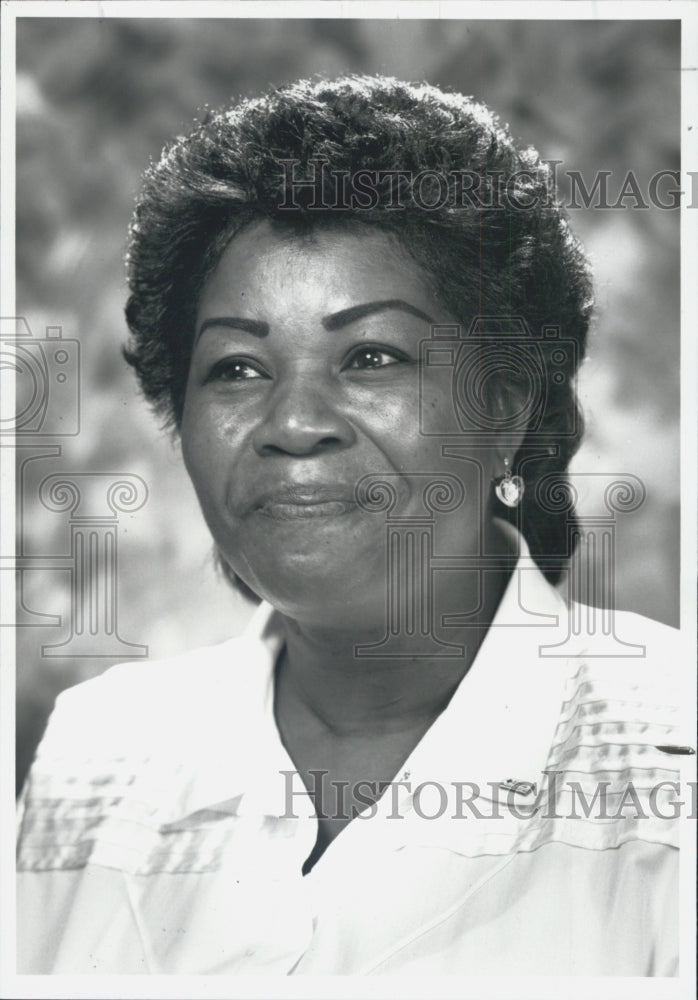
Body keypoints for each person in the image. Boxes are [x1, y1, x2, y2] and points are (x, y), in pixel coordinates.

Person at [17, 75, 689, 976]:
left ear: (508, 406)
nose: (294, 424)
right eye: (237, 369)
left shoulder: (666, 755)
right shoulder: (94, 756)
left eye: (371, 356)